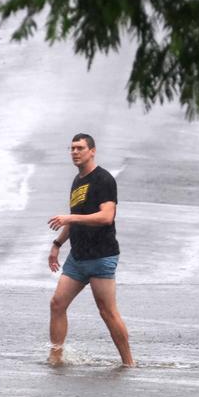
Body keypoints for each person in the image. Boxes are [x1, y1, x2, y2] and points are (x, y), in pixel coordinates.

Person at [47, 133, 134, 367]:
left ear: (92, 151)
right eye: (72, 148)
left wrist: (68, 217)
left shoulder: (103, 180)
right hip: (77, 257)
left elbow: (107, 217)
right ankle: (55, 357)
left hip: (101, 255)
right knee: (57, 304)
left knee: (107, 312)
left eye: (80, 148)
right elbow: (76, 220)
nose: (75, 152)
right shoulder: (77, 180)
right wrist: (57, 245)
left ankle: (129, 363)